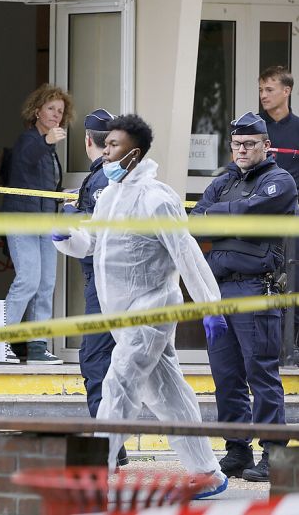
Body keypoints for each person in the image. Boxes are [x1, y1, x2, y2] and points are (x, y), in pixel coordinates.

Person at [52, 114, 228, 498]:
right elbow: (93, 246)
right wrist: (66, 236)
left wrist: (210, 306)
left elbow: (186, 252)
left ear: (134, 154)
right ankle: (208, 473)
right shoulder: (110, 196)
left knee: (118, 383)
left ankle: (95, 470)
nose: (106, 153)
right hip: (121, 312)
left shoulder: (156, 198)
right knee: (170, 396)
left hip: (152, 310)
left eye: (113, 146)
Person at [191, 112, 297, 482]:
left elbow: (253, 211)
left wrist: (219, 219)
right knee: (227, 376)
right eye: (236, 145)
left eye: (249, 144)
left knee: (261, 374)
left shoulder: (279, 180)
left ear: (266, 145)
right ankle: (237, 450)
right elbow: (196, 219)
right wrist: (226, 219)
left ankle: (275, 454)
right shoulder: (223, 182)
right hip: (219, 290)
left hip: (256, 290)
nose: (242, 150)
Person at [62, 108, 129, 466]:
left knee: (95, 359)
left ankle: (109, 445)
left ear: (88, 139)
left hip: (106, 283)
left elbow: (100, 234)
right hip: (116, 280)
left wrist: (75, 218)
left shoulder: (102, 178)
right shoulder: (109, 175)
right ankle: (113, 442)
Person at [0, 84, 70, 364]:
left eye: (60, 111)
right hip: (22, 220)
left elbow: (41, 182)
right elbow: (26, 158)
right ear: (37, 110)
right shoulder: (29, 140)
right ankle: (0, 340)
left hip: (45, 221)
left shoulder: (49, 148)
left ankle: (37, 347)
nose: (56, 115)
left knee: (45, 284)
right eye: (51, 108)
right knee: (27, 280)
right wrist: (47, 142)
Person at [258, 65, 299, 365]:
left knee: (294, 282)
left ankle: (292, 349)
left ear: (287, 91)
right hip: (261, 222)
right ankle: (265, 349)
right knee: (263, 284)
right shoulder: (254, 130)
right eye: (260, 90)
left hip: (293, 221)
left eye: (269, 89)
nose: (263, 95)